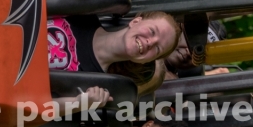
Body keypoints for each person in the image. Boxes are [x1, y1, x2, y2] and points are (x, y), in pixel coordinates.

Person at [47, 11, 180, 76]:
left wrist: (78, 103)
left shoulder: (94, 84)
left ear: (146, 61)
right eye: (152, 31)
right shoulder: (83, 12)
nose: (150, 42)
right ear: (135, 21)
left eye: (157, 49)